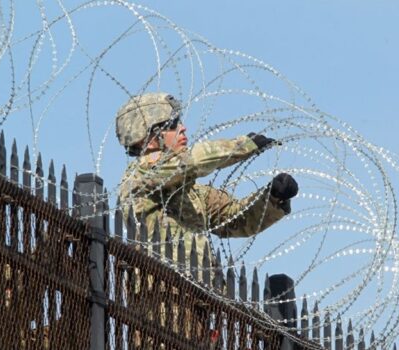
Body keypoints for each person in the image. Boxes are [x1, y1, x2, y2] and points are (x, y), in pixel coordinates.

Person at [116, 92, 299, 267]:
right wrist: (241, 146)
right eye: (172, 124)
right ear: (147, 138)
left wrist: (273, 197)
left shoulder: (193, 194)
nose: (182, 128)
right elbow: (192, 161)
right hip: (161, 292)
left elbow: (235, 218)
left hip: (200, 292)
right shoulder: (140, 176)